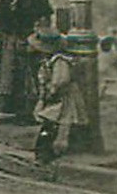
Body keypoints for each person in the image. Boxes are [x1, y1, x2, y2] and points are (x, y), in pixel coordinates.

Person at [0, 0, 54, 124]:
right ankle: (12, 110)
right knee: (10, 77)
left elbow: (45, 17)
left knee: (29, 76)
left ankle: (27, 113)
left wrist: (39, 36)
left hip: (29, 38)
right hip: (9, 41)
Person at [32, 32, 83, 162]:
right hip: (54, 95)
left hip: (62, 95)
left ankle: (47, 152)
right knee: (51, 122)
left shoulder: (60, 60)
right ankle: (45, 150)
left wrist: (53, 89)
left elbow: (62, 79)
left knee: (54, 122)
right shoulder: (49, 61)